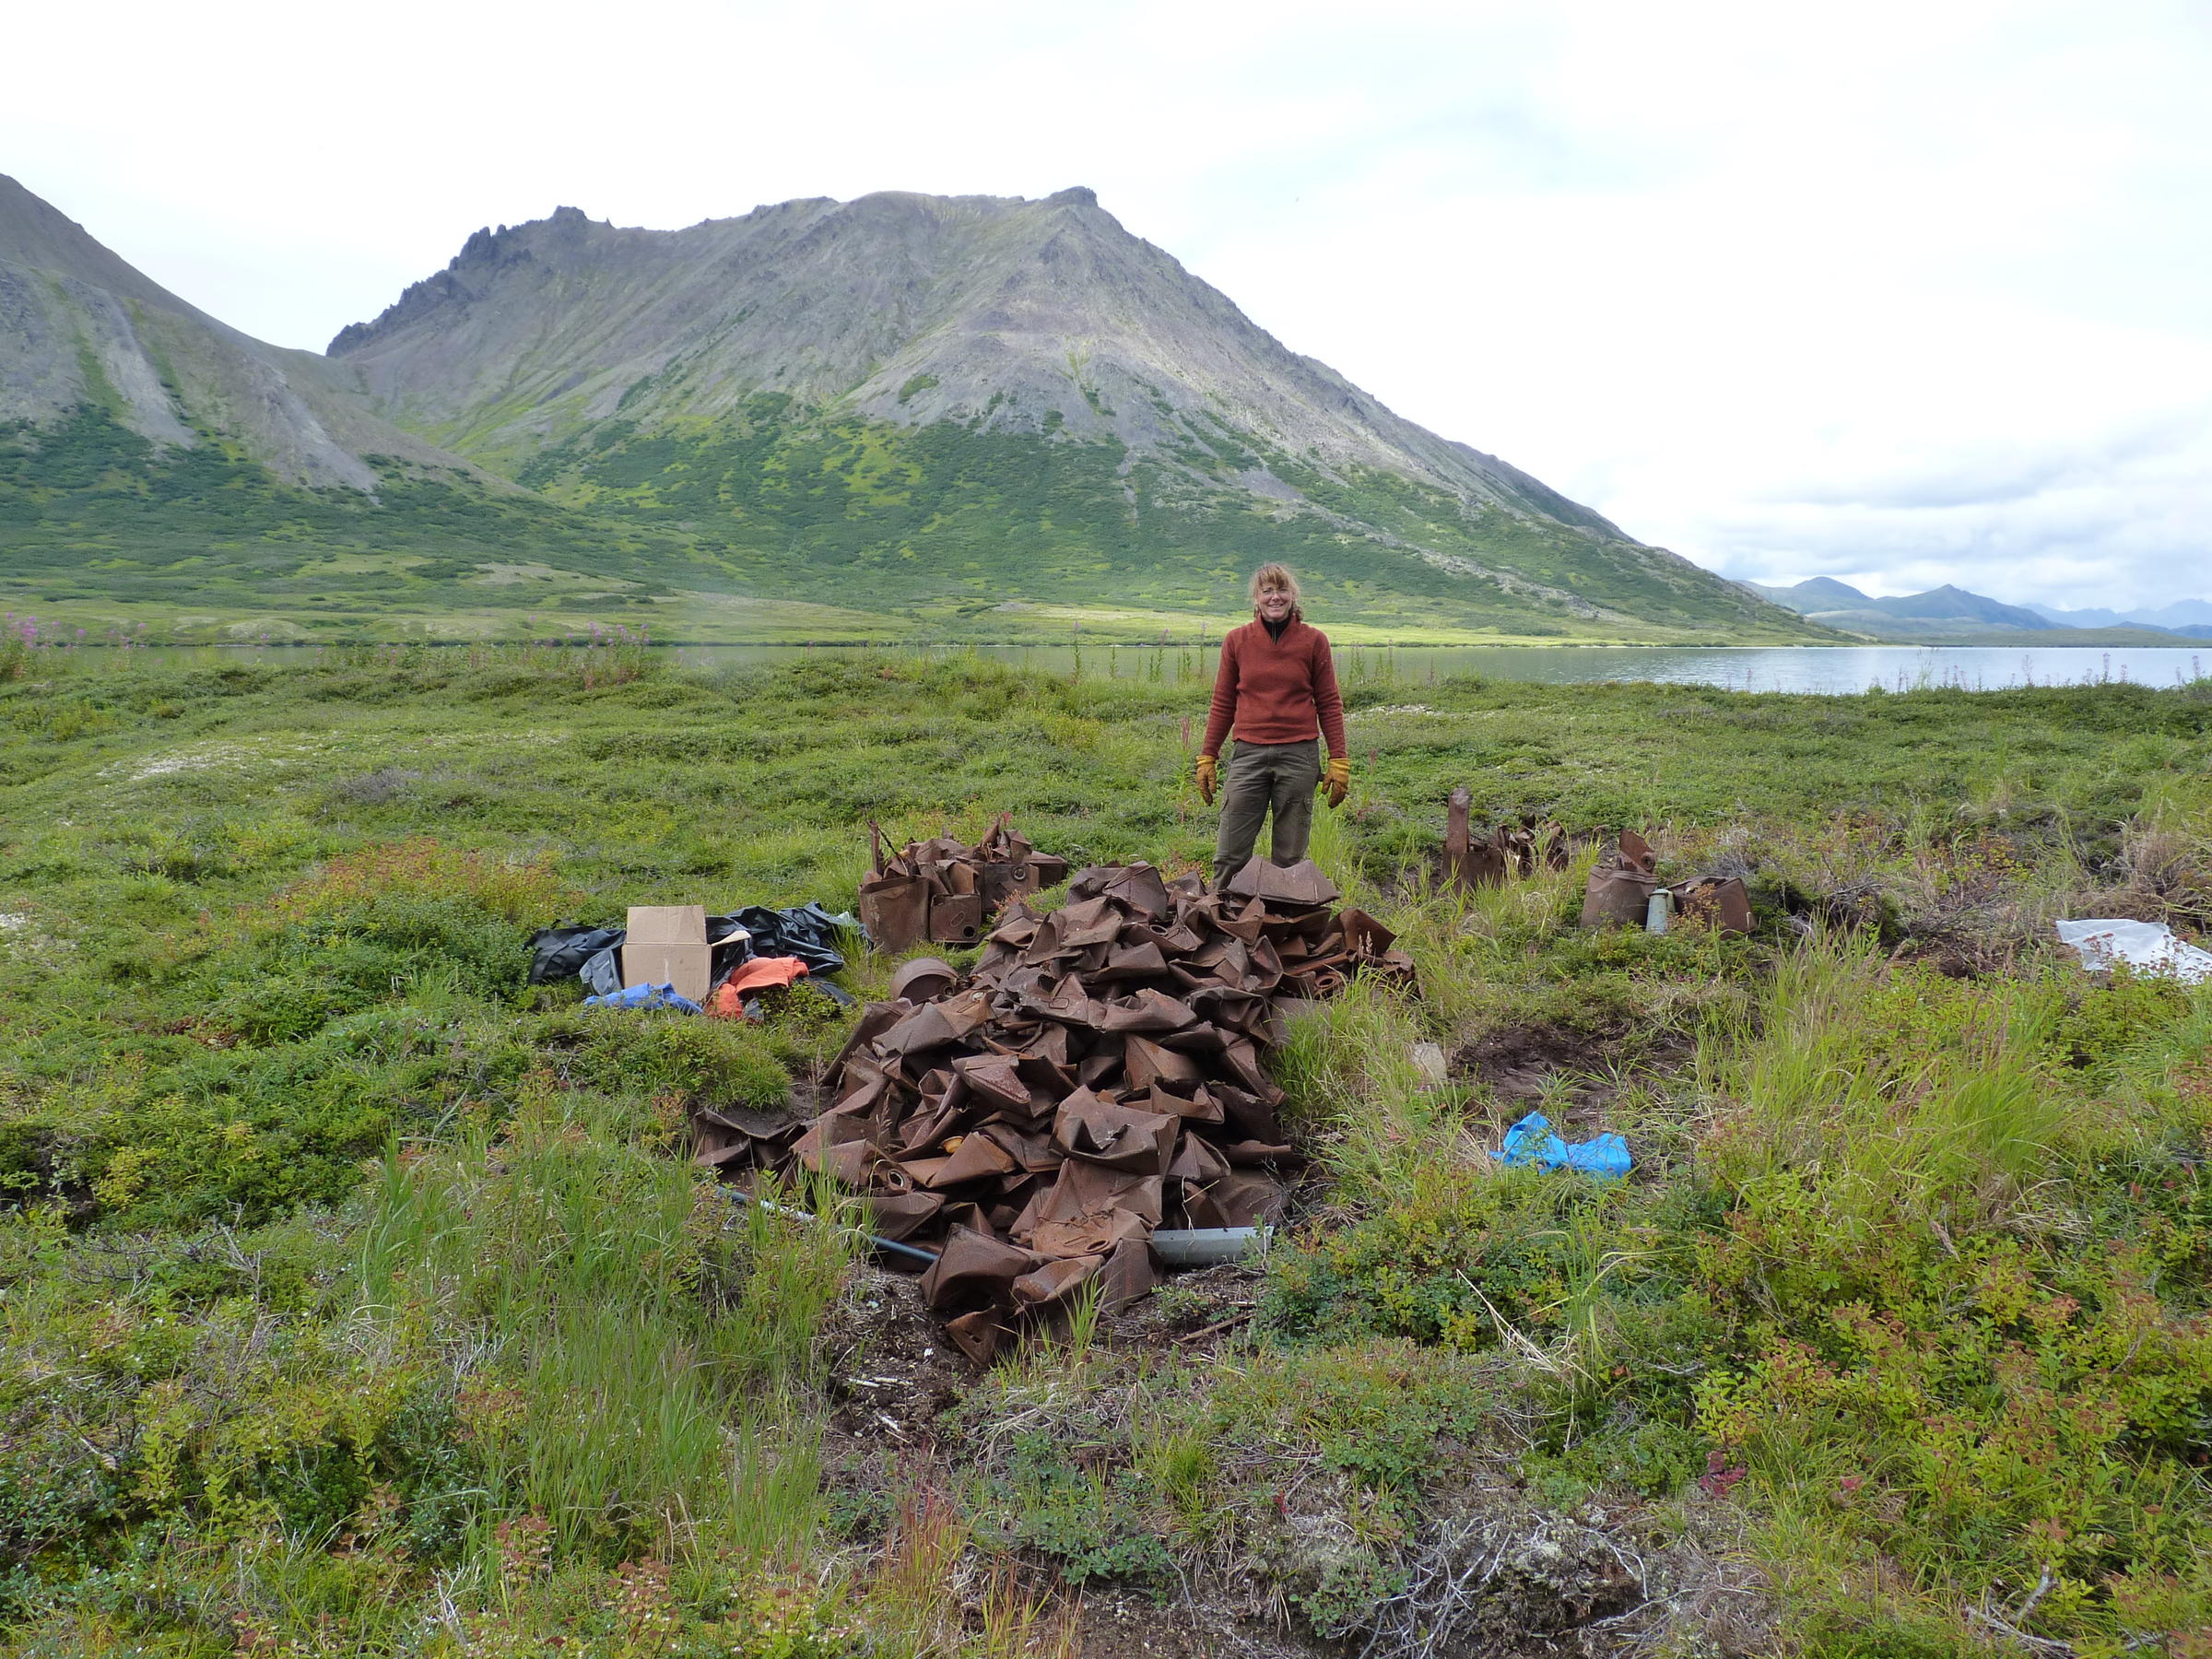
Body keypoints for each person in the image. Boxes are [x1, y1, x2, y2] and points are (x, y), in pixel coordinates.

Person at [1195, 563, 1349, 888]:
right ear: (1256, 598)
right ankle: (1220, 919)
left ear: (1293, 597)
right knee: (1230, 853)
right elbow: (1223, 703)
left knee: (1289, 856)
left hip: (1298, 756)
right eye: (1267, 591)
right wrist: (1207, 756)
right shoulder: (1237, 641)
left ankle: (1283, 928)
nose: (1275, 597)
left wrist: (1339, 759)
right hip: (1248, 754)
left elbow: (1329, 703)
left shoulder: (1313, 641)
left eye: (1282, 590)